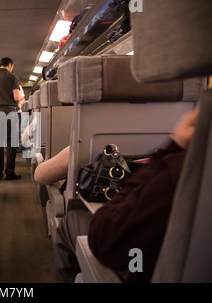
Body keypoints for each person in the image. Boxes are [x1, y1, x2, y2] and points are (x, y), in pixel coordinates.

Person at [35, 107, 199, 282]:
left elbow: (40, 175)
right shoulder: (189, 140)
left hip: (137, 257)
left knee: (71, 220)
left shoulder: (177, 165)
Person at [0, 57, 22, 181]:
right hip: (10, 111)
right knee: (11, 144)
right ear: (10, 65)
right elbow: (17, 97)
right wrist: (18, 104)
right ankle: (9, 172)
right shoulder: (12, 77)